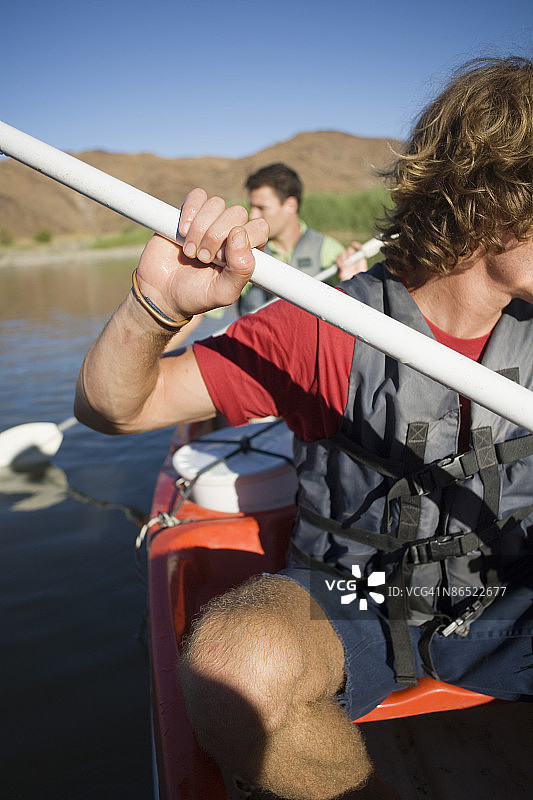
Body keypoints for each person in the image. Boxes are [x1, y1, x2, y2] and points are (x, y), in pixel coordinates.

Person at [75, 56, 533, 800]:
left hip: (505, 593)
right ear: (491, 202)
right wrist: (156, 306)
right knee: (234, 665)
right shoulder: (324, 328)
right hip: (354, 595)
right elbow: (113, 407)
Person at [239, 162, 364, 314]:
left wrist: (354, 284)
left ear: (291, 205)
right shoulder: (244, 253)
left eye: (261, 208)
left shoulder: (330, 251)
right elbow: (205, 312)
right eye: (251, 207)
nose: (252, 215)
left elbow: (352, 313)